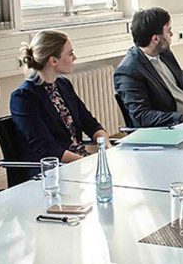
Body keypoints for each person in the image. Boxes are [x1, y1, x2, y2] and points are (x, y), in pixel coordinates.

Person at [10, 30, 109, 166]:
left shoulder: (63, 85)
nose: (74, 57)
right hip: (55, 169)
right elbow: (48, 149)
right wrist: (88, 162)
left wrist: (106, 146)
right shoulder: (24, 97)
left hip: (79, 162)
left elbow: (90, 123)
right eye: (70, 53)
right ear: (53, 60)